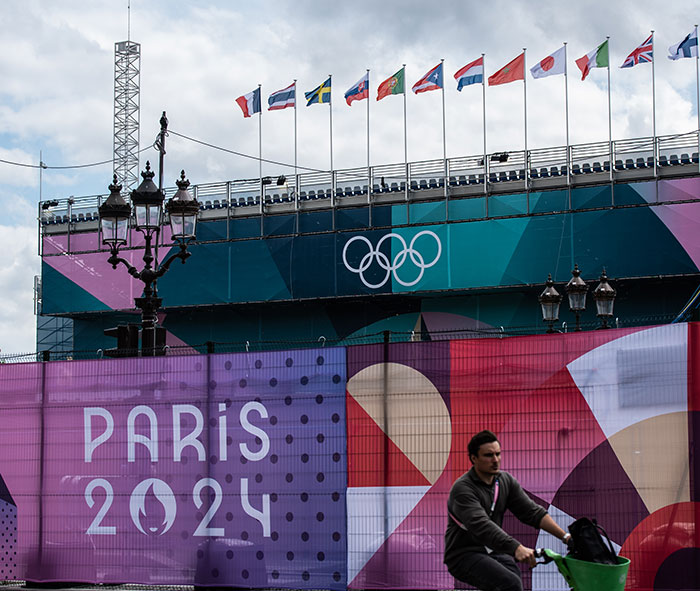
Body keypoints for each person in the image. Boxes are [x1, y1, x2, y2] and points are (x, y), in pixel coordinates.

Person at [444, 430, 572, 591]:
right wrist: (516, 548)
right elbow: (481, 526)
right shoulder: (463, 489)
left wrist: (566, 537)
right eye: (489, 455)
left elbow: (532, 512)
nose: (495, 460)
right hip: (464, 555)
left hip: (491, 551)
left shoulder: (505, 481)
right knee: (509, 584)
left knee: (513, 576)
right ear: (474, 458)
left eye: (498, 454)